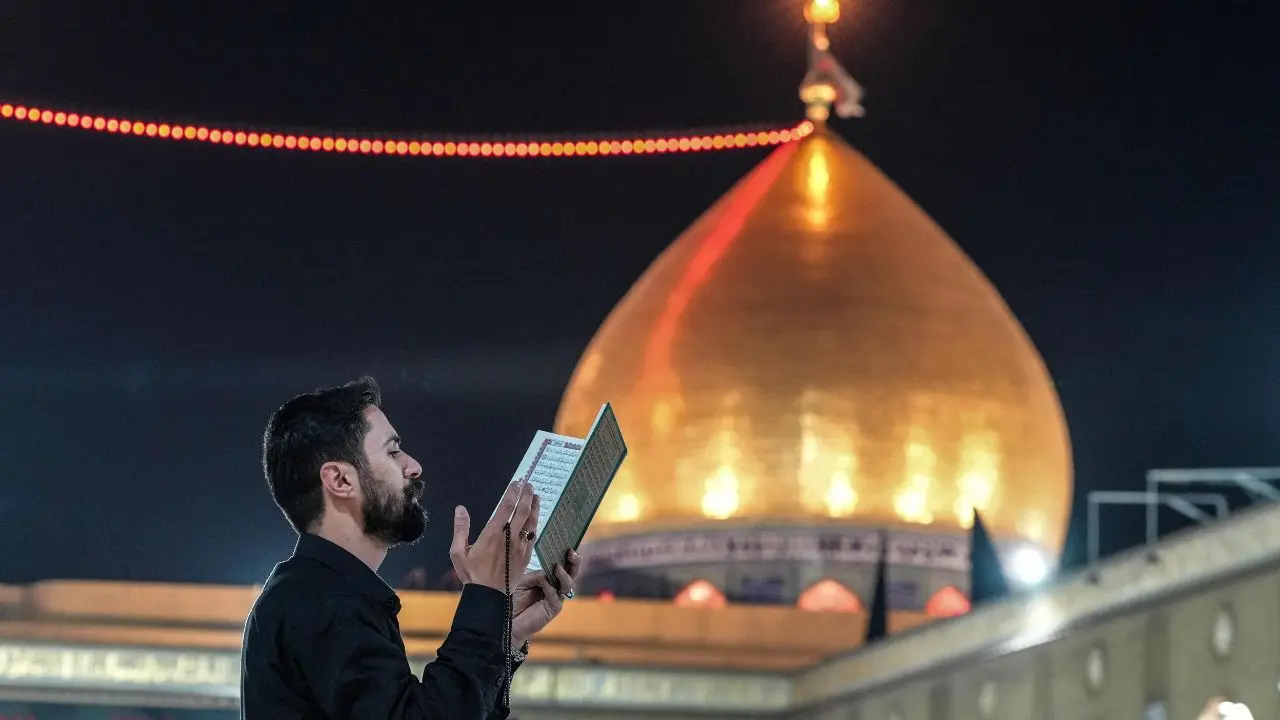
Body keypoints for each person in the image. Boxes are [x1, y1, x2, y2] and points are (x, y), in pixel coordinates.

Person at [241, 377, 579, 719]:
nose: (413, 466)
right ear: (340, 480)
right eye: (392, 451)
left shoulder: (318, 594)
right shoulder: (326, 603)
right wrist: (485, 594)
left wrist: (501, 636)